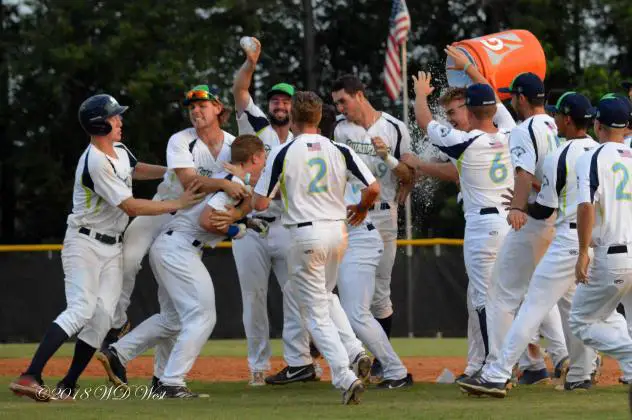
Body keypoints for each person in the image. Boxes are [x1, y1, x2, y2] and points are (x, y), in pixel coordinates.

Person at [8, 94, 204, 402]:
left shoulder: (118, 150)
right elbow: (130, 206)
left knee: (102, 319)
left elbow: (135, 168)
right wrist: (176, 203)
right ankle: (30, 376)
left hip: (112, 247)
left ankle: (68, 385)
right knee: (81, 310)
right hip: (84, 243)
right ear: (100, 124)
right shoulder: (95, 161)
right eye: (114, 117)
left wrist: (172, 171)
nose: (120, 120)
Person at [97, 84, 248, 387]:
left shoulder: (235, 145)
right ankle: (118, 324)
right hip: (162, 210)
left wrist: (235, 214)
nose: (195, 110)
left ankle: (157, 375)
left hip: (188, 225)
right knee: (128, 260)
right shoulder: (180, 140)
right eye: (191, 106)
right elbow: (189, 182)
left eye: (202, 105)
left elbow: (245, 187)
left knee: (176, 312)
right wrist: (225, 186)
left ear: (218, 107)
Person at [459, 92, 599, 397]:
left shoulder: (559, 155)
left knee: (530, 305)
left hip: (566, 237)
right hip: (596, 241)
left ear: (567, 119)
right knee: (579, 308)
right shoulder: (600, 151)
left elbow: (545, 209)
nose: (555, 119)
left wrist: (519, 208)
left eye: (559, 115)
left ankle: (497, 373)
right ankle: (581, 373)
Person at [252, 91, 380, 404]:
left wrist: (287, 190)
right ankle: (354, 350)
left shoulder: (283, 151)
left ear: (293, 119)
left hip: (305, 234)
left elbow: (260, 202)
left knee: (313, 313)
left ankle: (345, 376)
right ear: (320, 118)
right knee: (323, 297)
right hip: (338, 231)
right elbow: (373, 188)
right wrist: (362, 208)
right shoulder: (339, 148)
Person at [225, 36, 318, 385]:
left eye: (286, 100)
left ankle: (300, 361)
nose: (280, 104)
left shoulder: (303, 140)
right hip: (251, 224)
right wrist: (250, 64)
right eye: (275, 99)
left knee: (297, 296)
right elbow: (239, 91)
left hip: (287, 225)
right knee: (254, 298)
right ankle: (258, 365)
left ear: (295, 107)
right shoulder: (256, 125)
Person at [482, 72, 569, 385]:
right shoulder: (557, 126)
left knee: (502, 294)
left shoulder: (525, 129)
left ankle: (497, 370)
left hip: (535, 218)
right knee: (563, 297)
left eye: (512, 96)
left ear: (521, 98)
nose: (511, 101)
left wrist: (518, 206)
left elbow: (524, 174)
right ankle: (575, 364)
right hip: (564, 222)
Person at [320, 105, 412, 389]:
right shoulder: (331, 152)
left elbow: (373, 188)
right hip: (344, 237)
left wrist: (360, 207)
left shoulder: (330, 151)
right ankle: (354, 356)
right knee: (326, 302)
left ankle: (396, 371)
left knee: (357, 313)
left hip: (358, 238)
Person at [570, 95, 632, 391]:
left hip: (612, 254)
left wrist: (582, 251)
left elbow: (585, 205)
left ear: (597, 123)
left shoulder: (592, 156)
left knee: (581, 321)